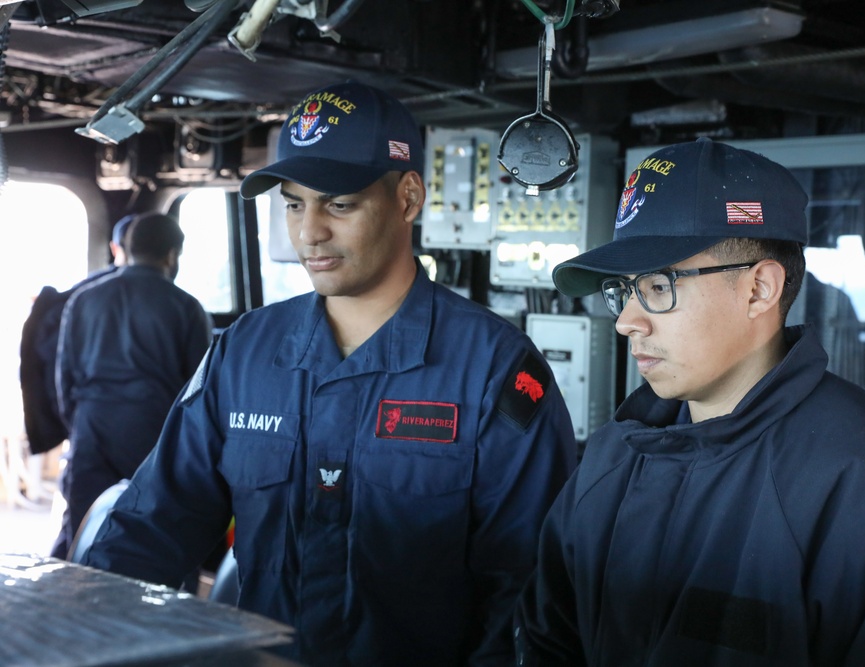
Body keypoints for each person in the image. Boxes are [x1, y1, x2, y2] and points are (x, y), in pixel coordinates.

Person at [82, 80, 578, 666]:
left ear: (409, 197)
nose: (309, 232)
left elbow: (526, 598)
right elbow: (154, 524)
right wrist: (87, 636)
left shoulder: (493, 369)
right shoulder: (245, 351)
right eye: (294, 203)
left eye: (338, 204)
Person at [514, 138, 865, 665]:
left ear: (759, 290)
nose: (627, 320)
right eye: (622, 290)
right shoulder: (609, 463)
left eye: (657, 285)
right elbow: (547, 643)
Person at [52, 212, 213, 559]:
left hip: (91, 430)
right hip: (154, 434)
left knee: (81, 537)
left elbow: (64, 379)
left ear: (126, 247)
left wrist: (80, 428)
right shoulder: (186, 307)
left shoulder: (84, 299)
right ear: (172, 254)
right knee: (152, 542)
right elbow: (198, 393)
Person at [20, 214, 135, 457]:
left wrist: (75, 423)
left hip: (91, 427)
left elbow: (59, 369)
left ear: (115, 248)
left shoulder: (81, 296)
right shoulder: (180, 303)